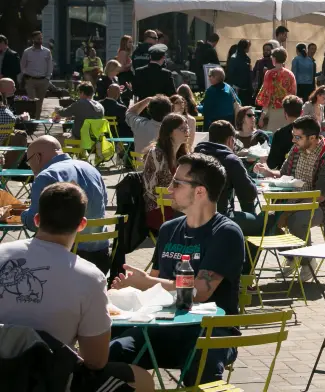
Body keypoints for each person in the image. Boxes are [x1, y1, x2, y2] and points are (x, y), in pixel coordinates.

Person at [0, 182, 154, 392]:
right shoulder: (89, 276)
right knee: (142, 378)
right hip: (46, 380)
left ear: (37, 220)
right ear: (82, 224)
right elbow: (95, 361)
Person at [110, 154, 244, 385]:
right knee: (110, 353)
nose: (168, 188)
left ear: (200, 191)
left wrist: (146, 282)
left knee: (202, 365)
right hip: (163, 326)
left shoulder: (226, 233)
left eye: (176, 183)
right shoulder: (168, 229)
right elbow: (154, 283)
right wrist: (130, 288)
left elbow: (200, 292)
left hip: (209, 332)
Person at [253, 117, 325, 256]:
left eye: (297, 137)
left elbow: (320, 196)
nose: (293, 140)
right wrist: (267, 171)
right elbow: (283, 175)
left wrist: (291, 209)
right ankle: (292, 257)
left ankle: (306, 263)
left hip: (321, 206)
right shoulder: (296, 149)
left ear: (312, 138)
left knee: (297, 220)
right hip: (292, 201)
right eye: (293, 136)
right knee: (264, 220)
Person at [22, 136, 109, 272]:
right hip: (100, 253)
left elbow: (35, 224)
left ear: (38, 157)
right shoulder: (91, 168)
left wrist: (22, 215)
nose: (30, 166)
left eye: (29, 161)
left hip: (66, 257)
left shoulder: (46, 176)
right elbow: (104, 204)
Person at [195, 121, 262, 236]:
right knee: (261, 223)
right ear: (231, 140)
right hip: (219, 217)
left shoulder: (193, 156)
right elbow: (249, 194)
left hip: (191, 216)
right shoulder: (230, 160)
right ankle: (245, 253)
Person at [141, 113, 188, 230]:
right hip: (159, 207)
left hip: (179, 205)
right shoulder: (156, 153)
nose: (187, 131)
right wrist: (176, 201)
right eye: (182, 128)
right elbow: (150, 189)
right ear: (170, 132)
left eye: (187, 128)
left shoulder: (184, 155)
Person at [255, 46, 296, 132]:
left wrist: (262, 117)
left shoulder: (269, 73)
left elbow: (267, 95)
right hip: (287, 111)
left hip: (273, 110)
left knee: (272, 136)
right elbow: (293, 94)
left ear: (274, 59)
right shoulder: (290, 74)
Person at [20, 30, 53, 116]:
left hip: (43, 80)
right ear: (33, 39)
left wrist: (47, 78)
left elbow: (50, 66)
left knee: (39, 103)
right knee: (32, 102)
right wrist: (26, 76)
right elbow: (22, 65)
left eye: (41, 38)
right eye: (38, 39)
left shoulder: (47, 52)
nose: (40, 40)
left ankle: (36, 121)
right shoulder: (27, 52)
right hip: (30, 80)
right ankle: (30, 121)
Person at [266, 95, 303, 170]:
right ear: (301, 112)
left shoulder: (280, 134)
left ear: (285, 113)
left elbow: (272, 163)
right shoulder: (311, 132)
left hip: (285, 175)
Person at [226, 39, 253, 106]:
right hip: (237, 87)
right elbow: (231, 73)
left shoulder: (246, 58)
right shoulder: (234, 58)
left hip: (245, 88)